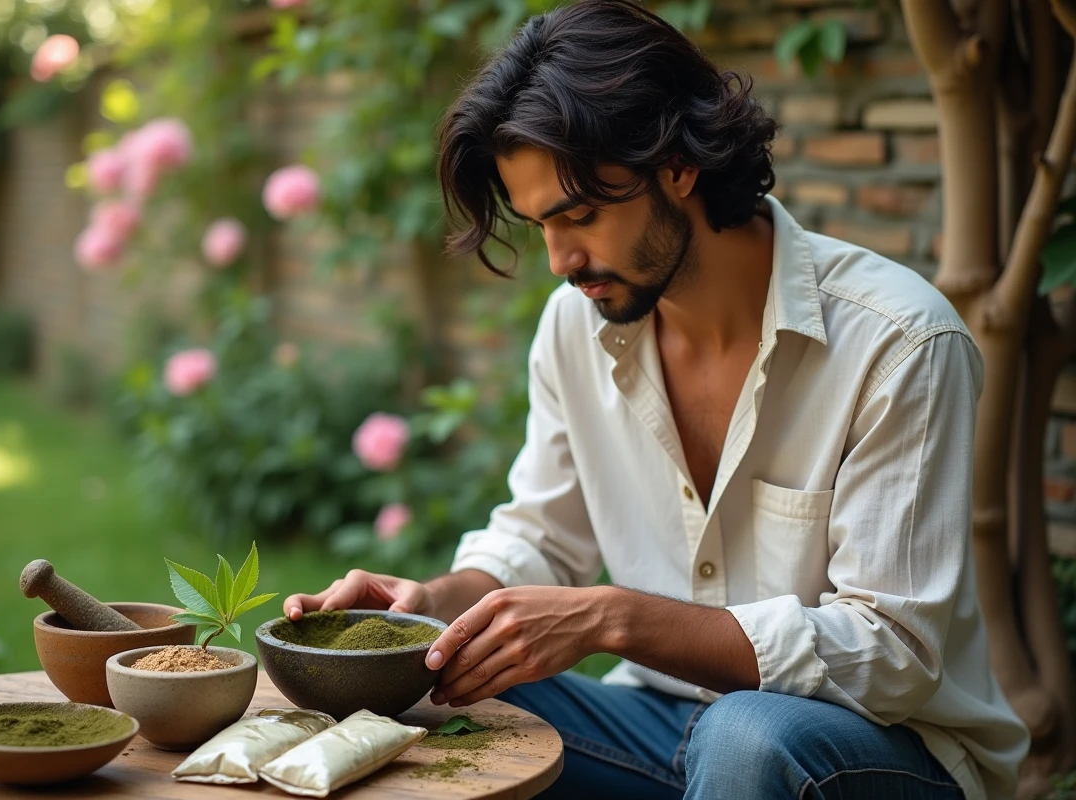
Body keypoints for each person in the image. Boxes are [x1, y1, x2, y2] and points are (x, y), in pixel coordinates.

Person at [283, 1, 1030, 797]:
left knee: (748, 741)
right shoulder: (577, 326)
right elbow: (543, 538)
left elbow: (891, 658)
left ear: (678, 165)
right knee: (435, 689)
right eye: (539, 224)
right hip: (661, 731)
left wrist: (616, 619)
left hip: (874, 751)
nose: (560, 259)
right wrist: (436, 610)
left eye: (582, 214)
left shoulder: (898, 342)